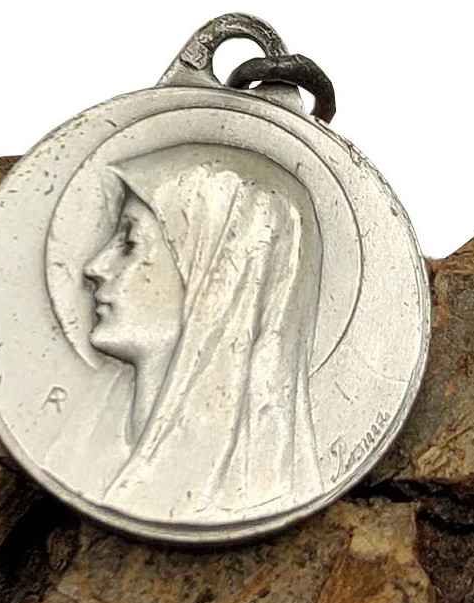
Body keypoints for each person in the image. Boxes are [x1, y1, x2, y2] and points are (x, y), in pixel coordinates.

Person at [78, 142, 324, 524]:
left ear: (216, 275)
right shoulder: (83, 438)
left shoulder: (259, 491)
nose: (94, 266)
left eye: (128, 243)